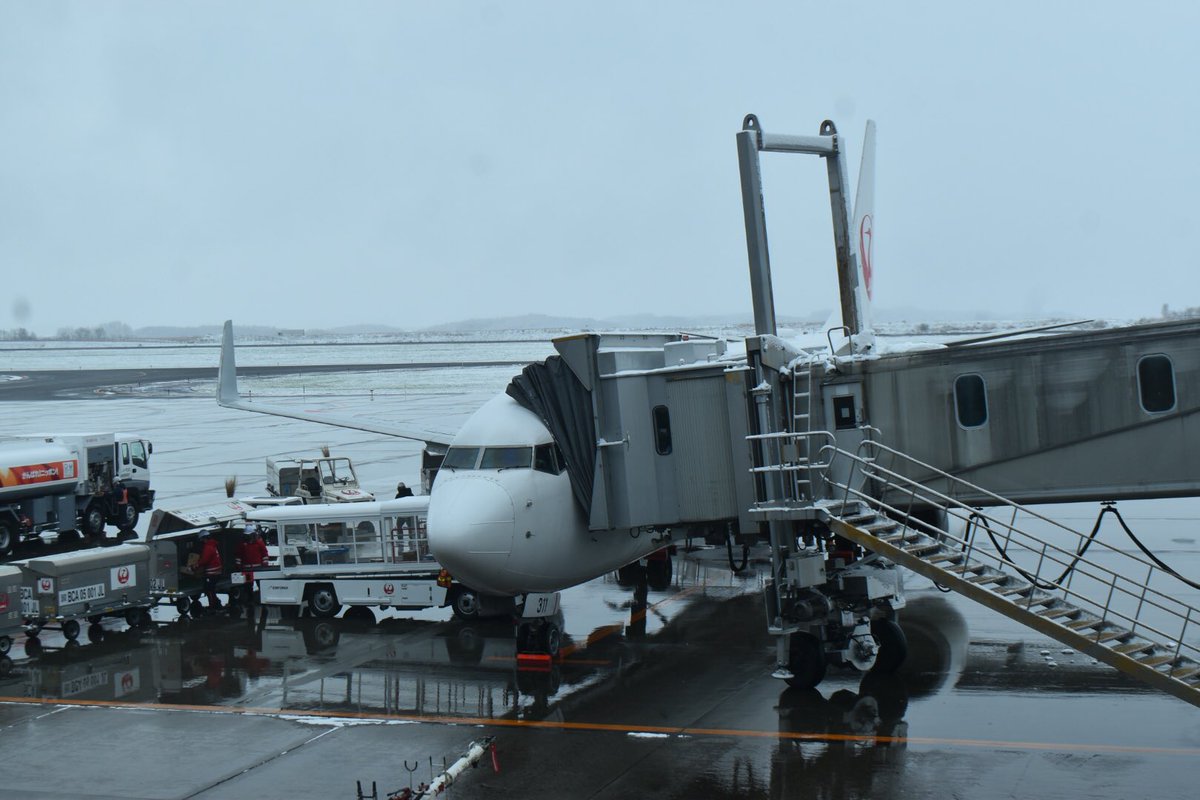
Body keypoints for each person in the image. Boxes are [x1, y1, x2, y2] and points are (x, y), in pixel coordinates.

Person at [197, 531, 224, 610]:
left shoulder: (208, 547)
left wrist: (195, 566)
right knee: (211, 589)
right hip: (216, 572)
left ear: (204, 538)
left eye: (201, 539)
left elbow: (204, 560)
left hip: (212, 574)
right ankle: (217, 604)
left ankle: (212, 607)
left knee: (209, 590)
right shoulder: (212, 545)